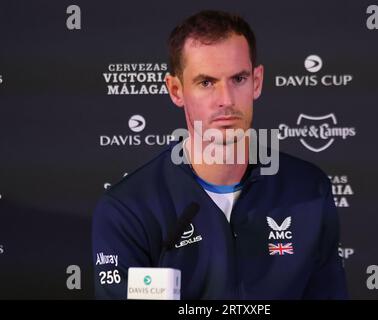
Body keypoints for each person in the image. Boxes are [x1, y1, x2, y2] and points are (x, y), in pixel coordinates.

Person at [92, 10, 348, 299]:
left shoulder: (309, 188)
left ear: (257, 81)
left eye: (238, 79)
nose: (226, 100)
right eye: (206, 82)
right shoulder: (129, 209)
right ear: (176, 90)